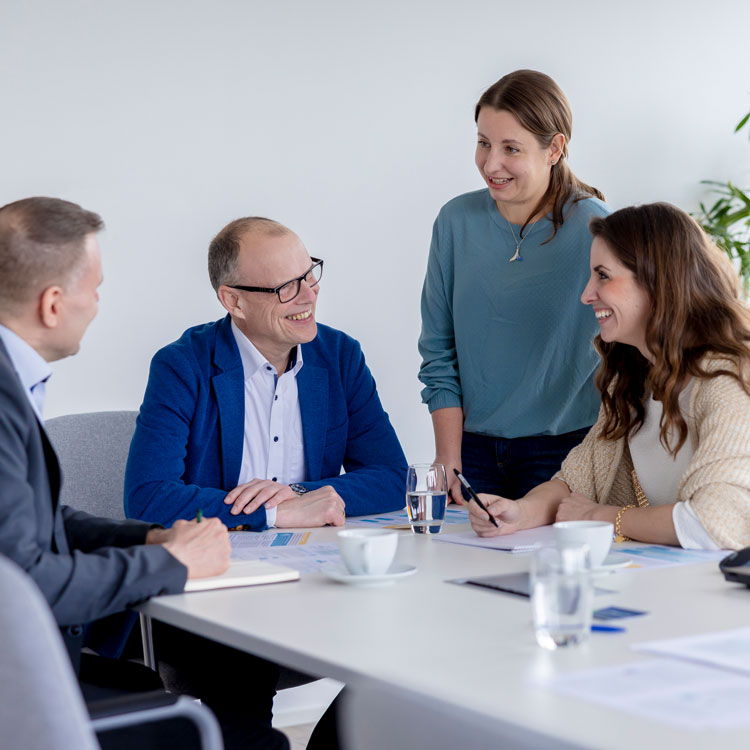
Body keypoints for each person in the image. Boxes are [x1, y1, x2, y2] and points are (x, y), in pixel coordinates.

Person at [0, 196, 291, 750]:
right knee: (259, 743)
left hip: (34, 672)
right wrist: (169, 562)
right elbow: (27, 584)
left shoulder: (12, 382)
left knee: (153, 688)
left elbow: (36, 521)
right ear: (54, 304)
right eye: (96, 287)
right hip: (24, 699)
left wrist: (151, 536)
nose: (99, 303)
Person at [469, 202, 750, 551]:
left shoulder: (729, 377)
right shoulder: (631, 377)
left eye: (603, 275)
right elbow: (574, 482)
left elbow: (714, 523)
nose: (586, 295)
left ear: (656, 281)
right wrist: (518, 512)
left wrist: (606, 517)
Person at [125, 215, 407, 529]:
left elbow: (393, 478)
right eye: (286, 287)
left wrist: (297, 494)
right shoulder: (181, 366)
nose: (309, 295)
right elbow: (148, 499)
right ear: (234, 301)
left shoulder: (340, 356)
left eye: (309, 274)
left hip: (313, 553)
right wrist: (273, 513)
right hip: (221, 559)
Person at [418, 69, 611, 505]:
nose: (490, 164)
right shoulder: (455, 222)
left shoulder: (596, 228)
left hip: (566, 452)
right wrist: (448, 455)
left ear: (555, 148)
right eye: (483, 142)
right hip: (471, 452)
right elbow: (438, 349)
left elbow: (626, 342)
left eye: (511, 148)